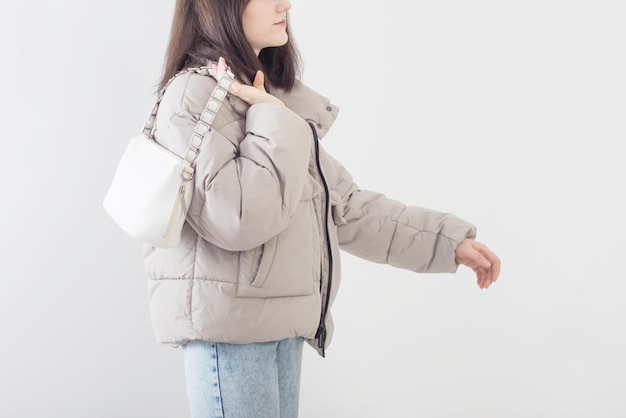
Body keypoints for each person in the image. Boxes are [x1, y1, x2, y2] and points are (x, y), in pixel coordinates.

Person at [143, 0, 501, 417]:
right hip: (231, 337)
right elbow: (239, 218)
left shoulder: (260, 97)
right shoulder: (195, 96)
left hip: (280, 327)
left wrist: (446, 242)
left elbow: (343, 205)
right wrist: (271, 118)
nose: (285, 4)